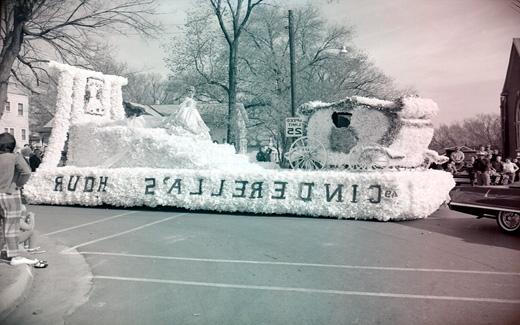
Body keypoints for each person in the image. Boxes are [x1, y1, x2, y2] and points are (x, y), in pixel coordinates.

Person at [0, 132, 37, 266]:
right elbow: (26, 172)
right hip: (10, 195)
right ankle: (13, 256)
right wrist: (17, 184)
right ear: (12, 145)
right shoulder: (15, 157)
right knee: (11, 227)